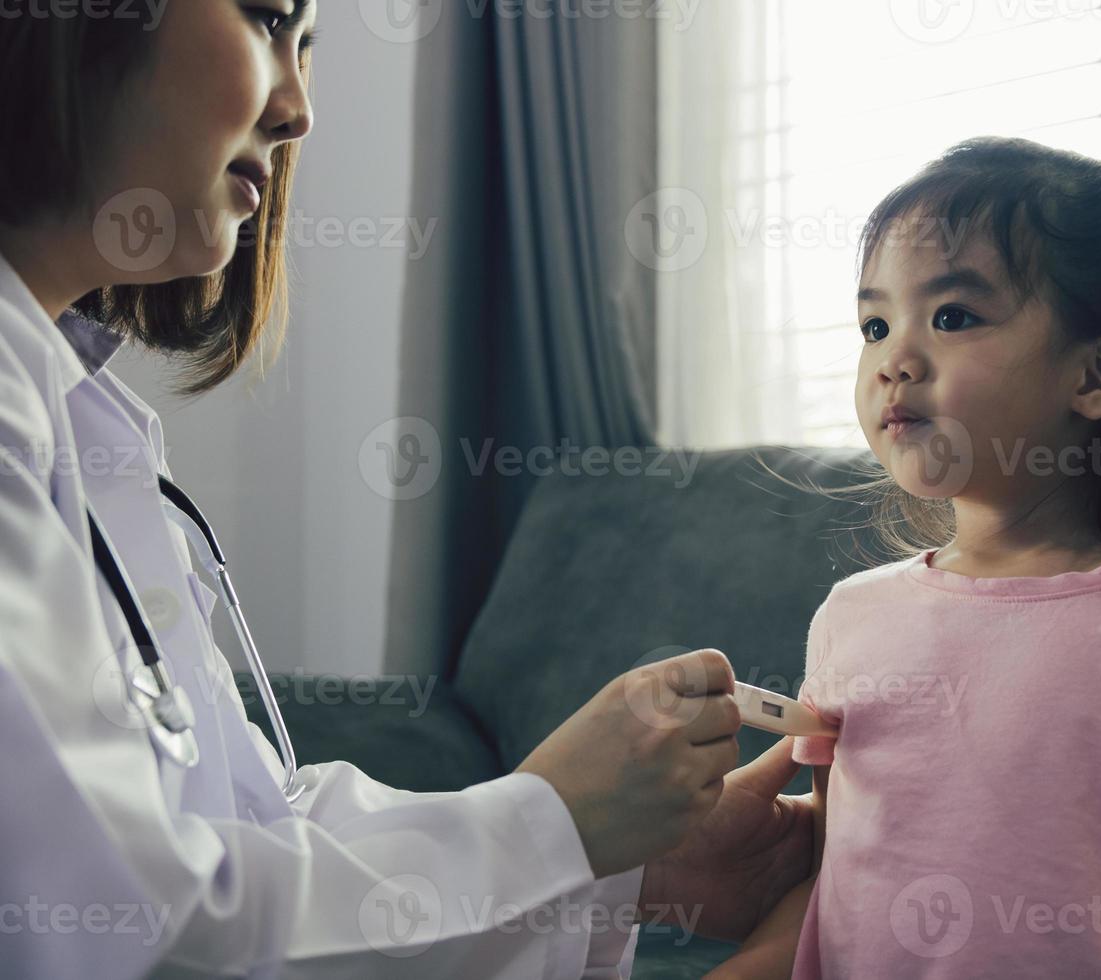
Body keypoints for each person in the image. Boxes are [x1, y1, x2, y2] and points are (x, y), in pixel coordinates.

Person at [0, 3, 812, 976]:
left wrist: (623, 861)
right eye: (266, 22)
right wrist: (549, 817)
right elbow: (133, 928)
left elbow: (248, 825)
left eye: (307, 50)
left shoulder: (87, 429)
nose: (298, 109)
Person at [710, 137, 1101, 978]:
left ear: (1099, 374)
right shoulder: (851, 618)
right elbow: (830, 884)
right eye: (875, 325)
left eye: (953, 316)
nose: (894, 359)